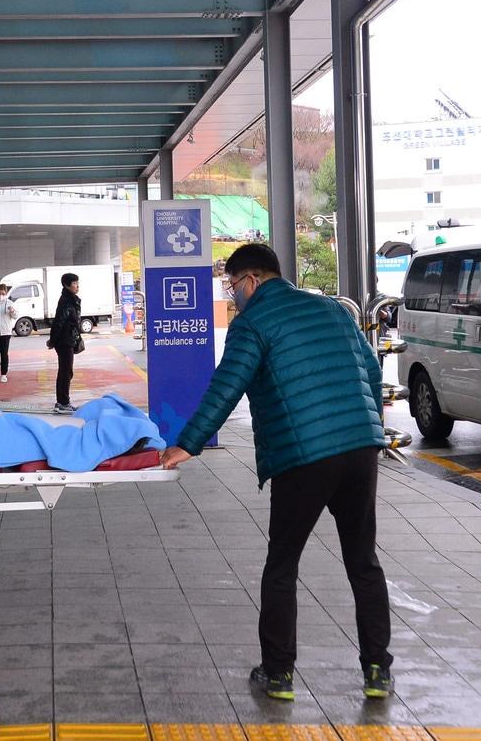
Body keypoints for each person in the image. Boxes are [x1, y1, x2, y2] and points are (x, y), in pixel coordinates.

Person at [160, 244, 393, 703]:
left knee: (282, 565)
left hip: (303, 455)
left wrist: (188, 443)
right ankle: (377, 671)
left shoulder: (253, 323)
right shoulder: (333, 309)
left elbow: (227, 384)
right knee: (363, 561)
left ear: (250, 281)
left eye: (232, 286)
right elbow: (370, 371)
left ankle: (279, 674)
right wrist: (368, 428)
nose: (232, 295)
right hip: (360, 449)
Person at [46, 272, 82, 414]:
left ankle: (63, 401)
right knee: (66, 372)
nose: (77, 286)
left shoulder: (70, 299)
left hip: (67, 339)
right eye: (74, 283)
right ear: (66, 285)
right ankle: (62, 403)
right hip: (64, 341)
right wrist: (53, 341)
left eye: (77, 283)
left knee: (66, 371)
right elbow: (59, 321)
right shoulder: (67, 301)